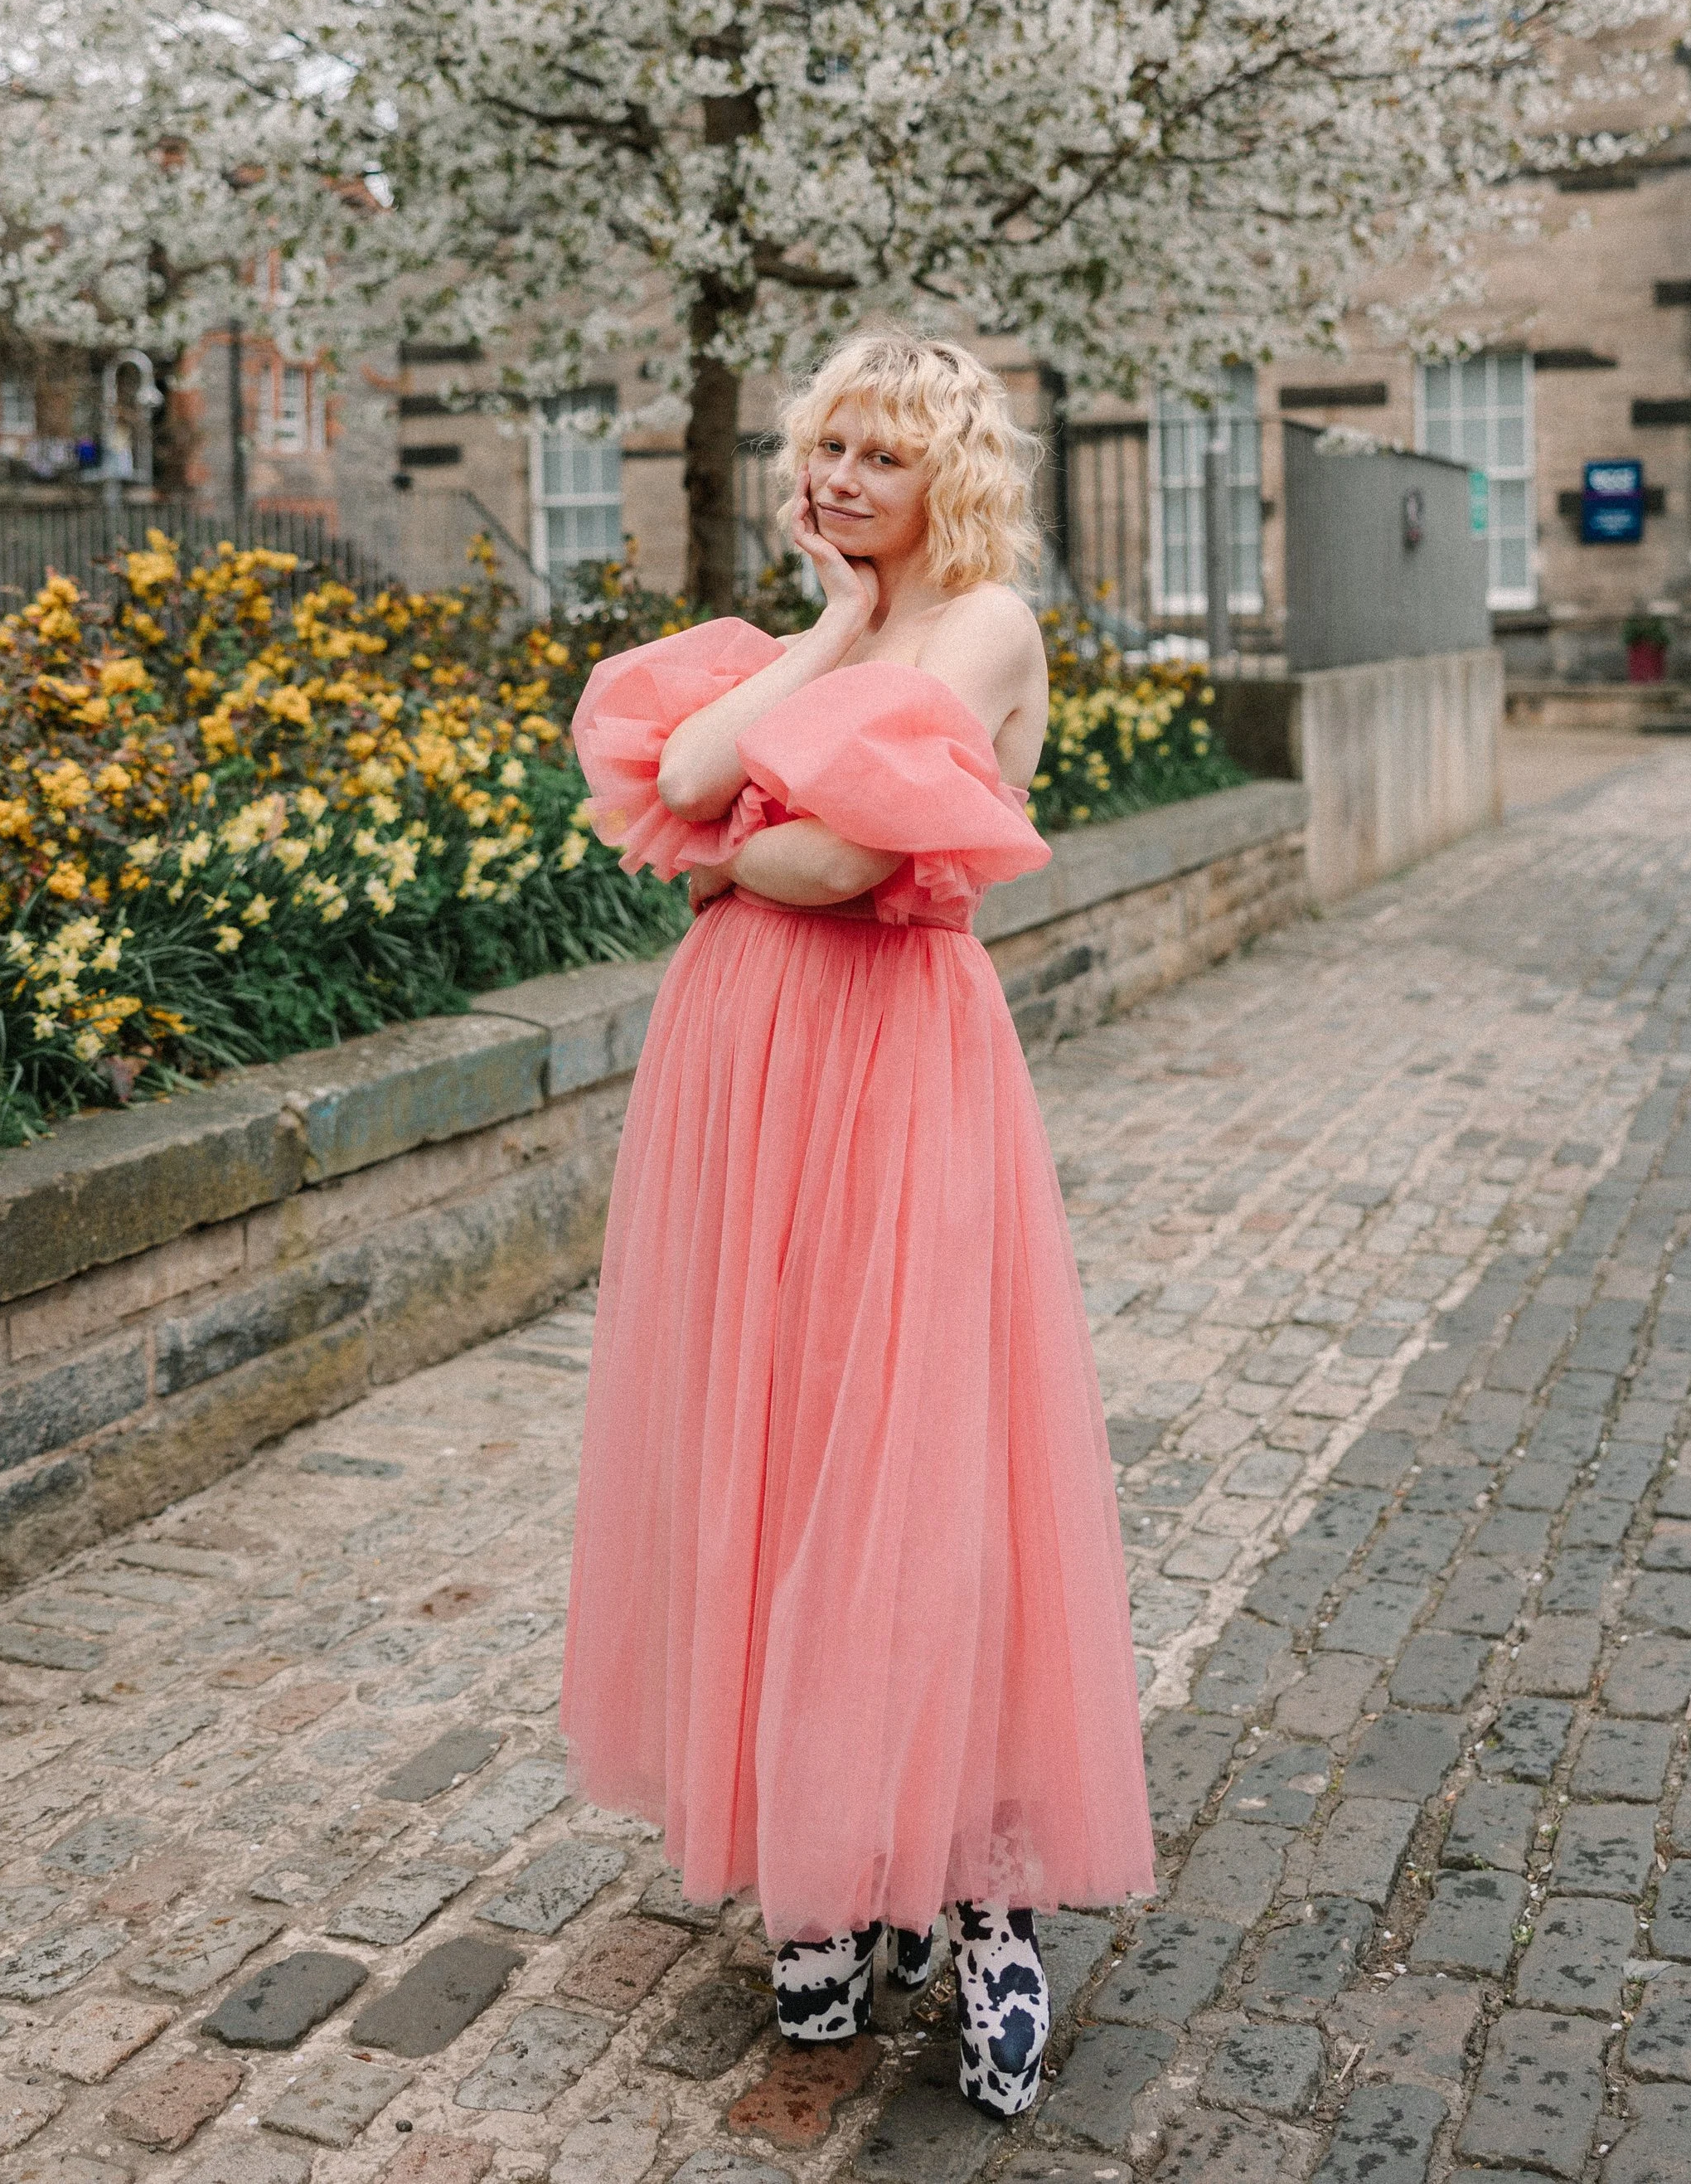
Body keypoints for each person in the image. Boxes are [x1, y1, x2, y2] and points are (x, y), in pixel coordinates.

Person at [562, 328, 1152, 2118]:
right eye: (824, 447)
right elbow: (677, 786)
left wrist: (744, 831)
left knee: (915, 1462)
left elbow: (815, 861)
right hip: (740, 1069)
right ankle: (819, 1876)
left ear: (945, 478)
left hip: (890, 1067)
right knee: (767, 1438)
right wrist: (816, 642)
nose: (835, 482)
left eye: (877, 458)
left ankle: (983, 1895)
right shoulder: (811, 637)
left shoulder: (980, 627)